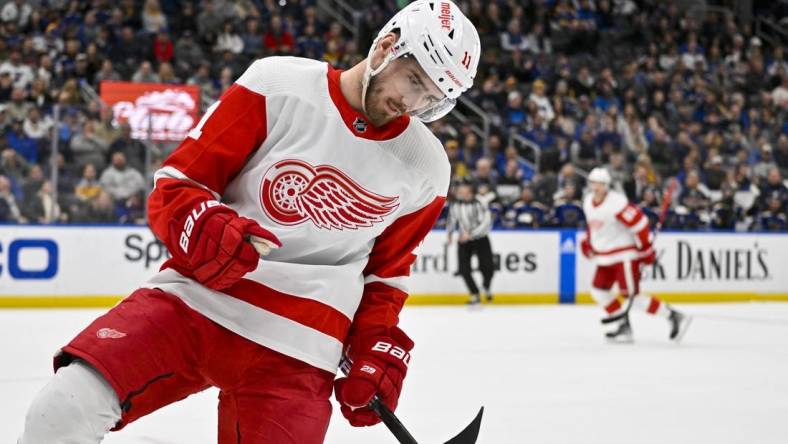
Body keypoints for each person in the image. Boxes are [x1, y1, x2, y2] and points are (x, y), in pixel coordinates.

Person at [19, 1, 481, 443]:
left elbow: (386, 277)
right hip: (196, 301)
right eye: (414, 80)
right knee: (58, 414)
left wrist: (375, 347)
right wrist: (205, 227)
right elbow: (178, 186)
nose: (414, 103)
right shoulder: (278, 84)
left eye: (431, 97)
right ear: (385, 47)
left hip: (302, 346)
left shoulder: (427, 166)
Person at [580, 167, 691, 343]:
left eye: (600, 184)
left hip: (623, 255)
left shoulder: (616, 203)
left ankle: (673, 316)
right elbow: (592, 226)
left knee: (631, 296)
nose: (596, 187)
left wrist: (645, 250)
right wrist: (587, 243)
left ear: (607, 186)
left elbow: (640, 223)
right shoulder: (587, 201)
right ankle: (623, 325)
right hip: (604, 256)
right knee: (599, 291)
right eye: (593, 183)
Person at [447, 180, 495, 304]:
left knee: (487, 267)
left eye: (463, 188)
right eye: (460, 189)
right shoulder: (456, 204)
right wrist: (450, 233)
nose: (461, 191)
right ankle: (474, 293)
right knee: (463, 269)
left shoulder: (480, 202)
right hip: (464, 239)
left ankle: (486, 286)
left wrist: (471, 234)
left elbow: (487, 222)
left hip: (481, 238)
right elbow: (452, 219)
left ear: (470, 189)